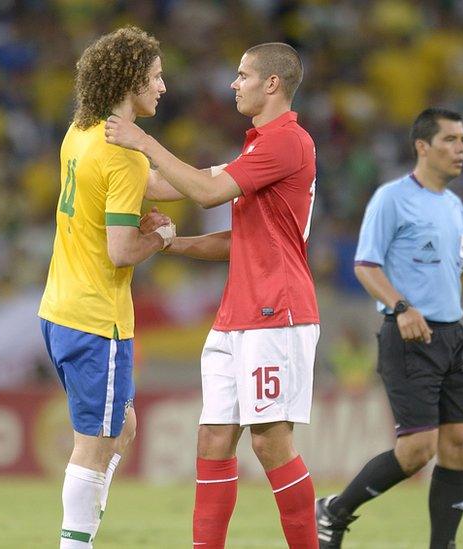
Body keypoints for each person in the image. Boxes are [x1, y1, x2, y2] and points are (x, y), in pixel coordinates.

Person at [105, 42, 320, 549]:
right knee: (213, 439)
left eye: (242, 74)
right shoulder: (255, 147)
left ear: (272, 83)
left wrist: (141, 140)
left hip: (276, 310)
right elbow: (234, 236)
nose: (233, 82)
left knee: (270, 441)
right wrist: (167, 241)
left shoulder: (288, 141)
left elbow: (205, 192)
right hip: (236, 314)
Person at [314, 108, 463, 549]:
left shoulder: (453, 204)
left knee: (461, 440)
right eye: (449, 139)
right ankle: (334, 510)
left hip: (452, 334)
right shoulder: (391, 199)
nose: (460, 147)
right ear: (422, 146)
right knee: (417, 451)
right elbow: (365, 265)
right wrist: (403, 307)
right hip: (409, 335)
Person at [36, 27, 175, 549]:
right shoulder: (125, 155)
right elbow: (120, 251)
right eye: (157, 76)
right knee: (94, 445)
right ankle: (76, 543)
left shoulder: (80, 133)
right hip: (97, 318)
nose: (163, 86)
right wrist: (160, 237)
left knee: (125, 428)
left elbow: (148, 185)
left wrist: (226, 177)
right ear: (132, 79)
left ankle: (85, 524)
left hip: (59, 308)